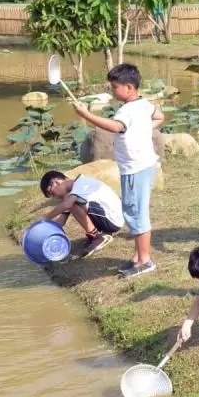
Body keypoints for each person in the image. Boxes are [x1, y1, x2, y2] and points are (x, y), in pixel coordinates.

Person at [72, 64, 163, 278]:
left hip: (135, 169)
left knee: (136, 214)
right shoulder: (145, 104)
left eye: (114, 87)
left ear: (129, 87)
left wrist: (85, 114)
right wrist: (142, 130)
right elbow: (159, 117)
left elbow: (116, 127)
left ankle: (145, 261)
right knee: (135, 211)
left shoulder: (126, 111)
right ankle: (138, 257)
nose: (112, 91)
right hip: (145, 165)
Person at [39, 169, 123, 258]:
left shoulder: (80, 184)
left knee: (71, 203)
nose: (55, 197)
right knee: (70, 202)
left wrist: (43, 219)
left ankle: (97, 237)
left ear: (55, 182)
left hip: (113, 220)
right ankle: (98, 235)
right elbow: (61, 221)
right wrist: (42, 232)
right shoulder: (73, 194)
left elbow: (67, 205)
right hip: (106, 219)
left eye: (52, 193)